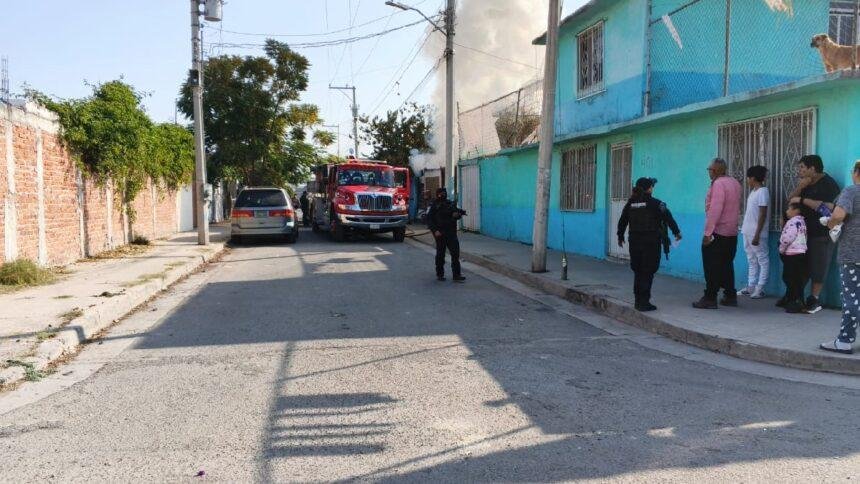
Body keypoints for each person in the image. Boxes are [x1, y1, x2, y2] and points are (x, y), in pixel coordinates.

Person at [617, 177, 682, 312]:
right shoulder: (656, 204)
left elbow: (623, 220)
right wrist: (676, 232)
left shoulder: (631, 203)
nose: (653, 188)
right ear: (649, 188)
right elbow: (668, 218)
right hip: (651, 243)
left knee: (638, 271)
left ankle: (637, 301)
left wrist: (620, 235)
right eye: (652, 186)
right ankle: (644, 302)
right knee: (647, 271)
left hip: (634, 242)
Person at [788, 154, 840, 313]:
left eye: (803, 167)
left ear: (813, 168)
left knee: (819, 265)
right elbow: (790, 200)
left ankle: (814, 299)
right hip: (803, 233)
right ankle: (796, 298)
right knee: (801, 267)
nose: (800, 171)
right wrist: (800, 188)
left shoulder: (828, 184)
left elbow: (830, 207)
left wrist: (803, 201)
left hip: (821, 233)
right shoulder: (806, 184)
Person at [820, 160, 860, 354]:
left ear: (857, 173)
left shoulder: (852, 191)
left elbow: (838, 214)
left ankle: (844, 341)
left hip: (853, 253)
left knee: (852, 298)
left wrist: (830, 223)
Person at [693, 158, 743, 309]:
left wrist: (708, 233)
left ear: (714, 171)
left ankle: (710, 297)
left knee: (711, 265)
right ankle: (730, 295)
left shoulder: (718, 184)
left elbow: (715, 209)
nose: (708, 172)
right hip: (732, 232)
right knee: (727, 264)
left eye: (709, 169)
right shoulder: (735, 182)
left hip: (718, 231)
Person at [738, 166, 770, 299]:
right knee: (751, 259)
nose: (747, 180)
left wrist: (757, 234)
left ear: (753, 178)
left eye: (748, 178)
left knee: (762, 259)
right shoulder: (753, 192)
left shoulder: (763, 191)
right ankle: (751, 286)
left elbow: (762, 214)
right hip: (747, 230)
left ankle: (760, 287)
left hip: (757, 233)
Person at [427, 187, 466, 282]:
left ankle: (456, 275)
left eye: (444, 193)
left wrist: (457, 215)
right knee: (440, 255)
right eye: (441, 193)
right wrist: (435, 231)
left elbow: (457, 214)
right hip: (440, 234)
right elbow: (429, 220)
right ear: (437, 194)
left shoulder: (450, 204)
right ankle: (440, 274)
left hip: (451, 233)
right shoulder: (434, 205)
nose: (443, 195)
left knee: (455, 254)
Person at [778, 202, 808, 313]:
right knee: (797, 279)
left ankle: (793, 302)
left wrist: (781, 248)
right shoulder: (802, 222)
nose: (786, 211)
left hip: (792, 254)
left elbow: (787, 238)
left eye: (789, 209)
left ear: (796, 210)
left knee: (789, 278)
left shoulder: (792, 222)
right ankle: (799, 301)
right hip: (801, 253)